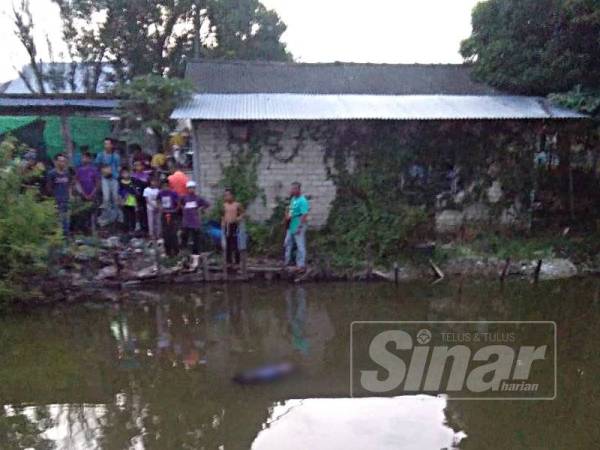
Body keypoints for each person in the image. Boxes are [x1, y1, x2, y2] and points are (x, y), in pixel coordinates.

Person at [180, 180, 210, 270]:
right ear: (187, 189)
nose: (191, 190)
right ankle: (185, 257)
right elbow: (179, 204)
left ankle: (195, 259)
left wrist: (201, 210)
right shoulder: (184, 198)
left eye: (192, 188)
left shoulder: (198, 198)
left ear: (195, 189)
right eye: (189, 188)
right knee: (185, 239)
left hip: (195, 223)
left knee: (196, 241)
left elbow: (207, 204)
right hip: (186, 223)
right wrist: (183, 210)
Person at [284, 182, 310, 272]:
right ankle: (287, 261)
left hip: (299, 221)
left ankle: (301, 265)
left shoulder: (303, 200)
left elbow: (304, 214)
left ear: (298, 189)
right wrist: (287, 217)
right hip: (292, 222)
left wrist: (299, 227)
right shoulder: (293, 199)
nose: (292, 190)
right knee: (287, 242)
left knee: (300, 244)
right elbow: (291, 209)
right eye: (292, 189)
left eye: (294, 189)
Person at [47, 153, 72, 236]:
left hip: (66, 200)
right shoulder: (52, 174)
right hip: (56, 201)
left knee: (66, 220)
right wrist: (53, 198)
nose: (62, 163)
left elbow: (69, 185)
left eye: (64, 161)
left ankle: (66, 237)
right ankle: (58, 238)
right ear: (56, 162)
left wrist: (70, 196)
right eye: (60, 161)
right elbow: (49, 188)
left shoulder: (67, 173)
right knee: (58, 221)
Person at [75, 151, 100, 233]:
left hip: (92, 195)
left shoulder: (94, 170)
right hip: (83, 195)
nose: (84, 159)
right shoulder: (79, 170)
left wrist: (92, 193)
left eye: (86, 158)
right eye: (83, 158)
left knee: (93, 212)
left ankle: (93, 229)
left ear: (90, 159)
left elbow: (97, 183)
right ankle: (84, 229)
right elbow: (77, 182)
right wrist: (82, 193)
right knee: (83, 212)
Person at [221, 189, 244, 268]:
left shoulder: (237, 205)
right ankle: (229, 262)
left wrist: (238, 218)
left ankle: (237, 262)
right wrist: (222, 224)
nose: (226, 197)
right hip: (227, 225)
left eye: (228, 195)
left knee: (235, 244)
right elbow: (223, 216)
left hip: (234, 225)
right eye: (225, 195)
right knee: (228, 244)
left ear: (232, 196)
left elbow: (242, 213)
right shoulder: (224, 205)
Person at [157, 179, 180, 256]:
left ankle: (176, 251)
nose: (165, 187)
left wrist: (176, 209)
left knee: (173, 233)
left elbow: (178, 202)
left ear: (169, 186)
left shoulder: (173, 193)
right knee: (165, 233)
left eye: (166, 186)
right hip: (164, 214)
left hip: (172, 214)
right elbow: (158, 201)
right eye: (163, 186)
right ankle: (168, 252)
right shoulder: (160, 193)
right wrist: (160, 208)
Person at [131, 160, 151, 233]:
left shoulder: (146, 176)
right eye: (136, 165)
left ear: (143, 166)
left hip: (144, 198)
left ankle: (146, 228)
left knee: (144, 212)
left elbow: (148, 187)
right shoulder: (133, 176)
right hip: (135, 197)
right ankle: (137, 227)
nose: (138, 167)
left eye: (139, 165)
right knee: (136, 212)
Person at [119, 167, 137, 234]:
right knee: (125, 215)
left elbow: (135, 190)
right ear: (121, 175)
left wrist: (132, 192)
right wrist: (123, 194)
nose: (125, 174)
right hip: (124, 200)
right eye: (124, 173)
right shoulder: (121, 182)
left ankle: (132, 228)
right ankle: (126, 229)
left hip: (132, 200)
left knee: (132, 214)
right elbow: (120, 191)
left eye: (127, 173)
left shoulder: (132, 181)